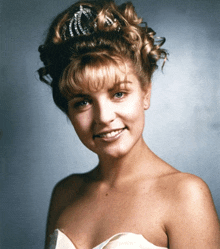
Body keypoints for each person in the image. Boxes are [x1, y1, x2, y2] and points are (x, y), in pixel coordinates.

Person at [38, 0, 220, 248]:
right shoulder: (65, 193)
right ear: (68, 111)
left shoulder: (185, 195)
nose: (103, 117)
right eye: (82, 102)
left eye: (118, 94)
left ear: (146, 93)